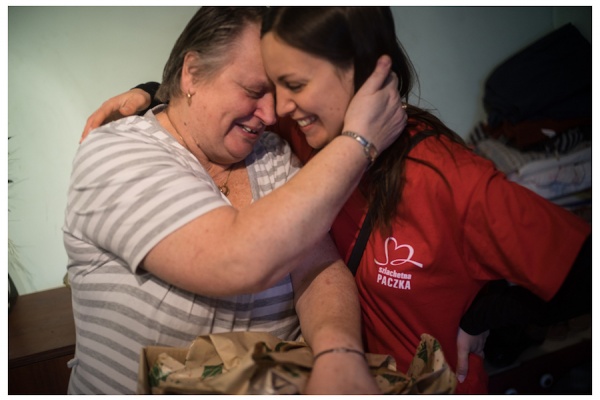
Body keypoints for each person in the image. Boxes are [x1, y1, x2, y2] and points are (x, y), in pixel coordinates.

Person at [82, 6, 592, 394]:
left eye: (291, 85)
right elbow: (210, 107)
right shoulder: (306, 135)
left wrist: (488, 310)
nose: (276, 110)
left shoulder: (445, 175)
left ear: (362, 74)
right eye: (270, 88)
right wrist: (149, 92)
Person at [64, 7, 407, 395]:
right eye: (254, 90)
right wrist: (360, 141)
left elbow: (318, 267)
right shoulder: (115, 151)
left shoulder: (274, 154)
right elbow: (234, 259)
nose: (272, 112)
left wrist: (339, 354)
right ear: (192, 72)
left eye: (277, 91)